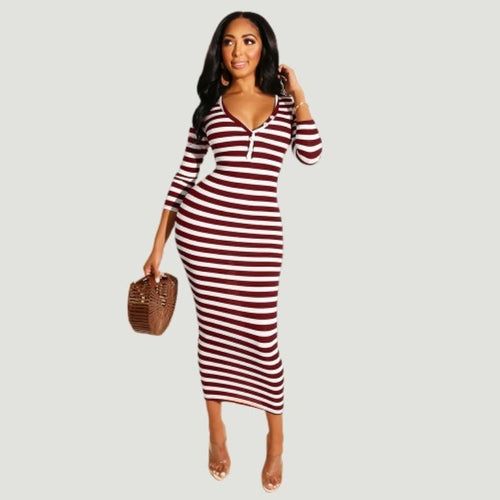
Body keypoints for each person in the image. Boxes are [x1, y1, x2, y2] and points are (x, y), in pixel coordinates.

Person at [144, 11, 323, 492]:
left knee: (263, 335)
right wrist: (158, 244)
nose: (238, 50)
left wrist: (300, 95)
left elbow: (311, 153)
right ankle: (216, 431)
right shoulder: (210, 106)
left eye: (248, 41)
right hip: (204, 233)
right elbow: (185, 174)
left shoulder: (284, 105)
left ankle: (276, 441)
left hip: (260, 237)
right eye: (228, 42)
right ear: (219, 50)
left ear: (264, 47)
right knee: (213, 332)